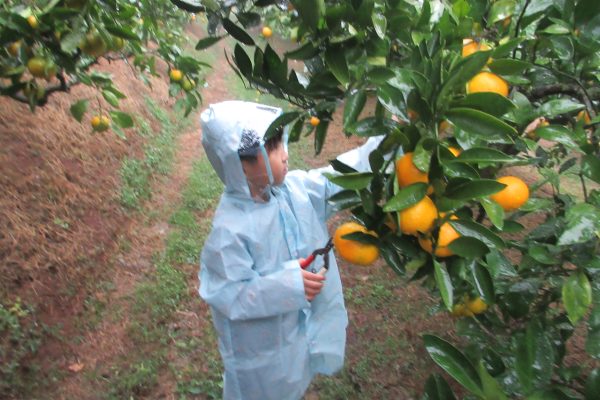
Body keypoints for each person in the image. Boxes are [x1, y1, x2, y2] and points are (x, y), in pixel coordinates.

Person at [198, 101, 381, 400]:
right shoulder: (230, 231)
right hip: (260, 354)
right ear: (240, 164)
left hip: (291, 338)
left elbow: (340, 177)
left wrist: (388, 144)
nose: (284, 154)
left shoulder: (292, 191)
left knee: (293, 379)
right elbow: (229, 294)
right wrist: (287, 285)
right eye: (272, 148)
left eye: (281, 143)